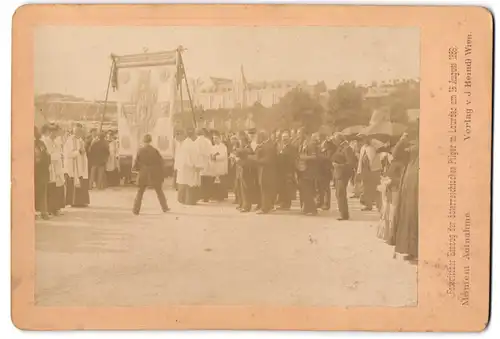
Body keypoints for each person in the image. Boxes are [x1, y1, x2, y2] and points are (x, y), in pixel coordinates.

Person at [132, 134, 169, 215]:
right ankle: (165, 208)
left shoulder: (140, 151)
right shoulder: (155, 151)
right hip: (154, 173)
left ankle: (136, 210)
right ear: (150, 140)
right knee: (159, 191)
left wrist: (138, 169)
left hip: (143, 173)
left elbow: (136, 164)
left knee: (140, 192)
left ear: (144, 141)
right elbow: (161, 162)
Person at [63, 123, 90, 207]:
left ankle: (81, 201)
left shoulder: (81, 140)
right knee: (74, 182)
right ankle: (73, 202)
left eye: (80, 131)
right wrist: (78, 152)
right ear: (73, 131)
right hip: (73, 166)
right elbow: (68, 154)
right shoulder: (69, 141)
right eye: (77, 131)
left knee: (82, 182)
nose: (78, 133)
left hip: (81, 165)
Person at [41, 124, 66, 216]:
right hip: (51, 167)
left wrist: (60, 155)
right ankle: (50, 209)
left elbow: (58, 152)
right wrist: (58, 155)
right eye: (55, 132)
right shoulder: (46, 141)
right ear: (51, 132)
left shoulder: (55, 141)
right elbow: (49, 155)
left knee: (57, 189)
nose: (56, 134)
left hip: (57, 167)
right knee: (50, 189)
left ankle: (56, 208)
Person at [331, 135, 356, 221]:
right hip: (339, 173)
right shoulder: (341, 147)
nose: (334, 141)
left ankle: (344, 215)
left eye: (335, 139)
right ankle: (342, 213)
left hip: (343, 173)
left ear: (340, 139)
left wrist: (339, 166)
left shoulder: (347, 148)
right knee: (339, 194)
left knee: (341, 193)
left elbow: (351, 163)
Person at [252, 130, 278, 214]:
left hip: (267, 171)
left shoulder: (269, 146)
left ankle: (265, 208)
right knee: (265, 189)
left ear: (262, 137)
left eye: (258, 137)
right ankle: (267, 206)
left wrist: (256, 160)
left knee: (265, 189)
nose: (257, 139)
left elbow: (268, 160)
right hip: (264, 170)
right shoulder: (265, 145)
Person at [177, 128, 202, 205]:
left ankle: (183, 199)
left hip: (184, 167)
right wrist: (195, 165)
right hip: (190, 167)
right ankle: (190, 200)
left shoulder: (184, 144)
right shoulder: (191, 145)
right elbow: (194, 157)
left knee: (184, 183)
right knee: (190, 184)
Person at [357, 136, 382, 211]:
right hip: (366, 171)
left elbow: (372, 160)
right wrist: (359, 171)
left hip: (373, 171)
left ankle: (378, 205)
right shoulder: (363, 148)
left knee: (374, 188)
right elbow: (361, 161)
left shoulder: (372, 148)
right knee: (366, 189)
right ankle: (368, 205)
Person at [234, 131, 257, 212]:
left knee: (246, 189)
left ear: (245, 141)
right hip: (242, 171)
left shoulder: (248, 148)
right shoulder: (244, 148)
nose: (240, 143)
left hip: (247, 171)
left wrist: (237, 152)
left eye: (241, 141)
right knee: (242, 189)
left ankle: (247, 206)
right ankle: (243, 204)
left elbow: (246, 155)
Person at [297, 133, 320, 216]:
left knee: (307, 190)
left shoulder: (311, 145)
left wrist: (304, 158)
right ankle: (307, 208)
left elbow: (314, 157)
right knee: (304, 190)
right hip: (303, 170)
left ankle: (312, 209)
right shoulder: (303, 144)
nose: (298, 136)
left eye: (300, 134)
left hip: (309, 171)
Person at [276, 130, 297, 210]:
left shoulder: (292, 148)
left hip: (288, 170)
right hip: (281, 171)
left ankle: (287, 204)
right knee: (282, 188)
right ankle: (283, 203)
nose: (284, 139)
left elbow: (293, 159)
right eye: (283, 138)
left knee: (288, 188)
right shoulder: (281, 147)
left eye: (286, 138)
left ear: (289, 138)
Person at [316, 129, 336, 210]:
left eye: (319, 137)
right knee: (319, 186)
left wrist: (319, 156)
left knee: (325, 187)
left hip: (326, 169)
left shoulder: (329, 145)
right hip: (320, 169)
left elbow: (328, 157)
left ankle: (326, 204)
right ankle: (320, 201)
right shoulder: (320, 145)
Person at [35, 126, 50, 220]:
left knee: (40, 191)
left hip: (39, 171)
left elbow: (46, 157)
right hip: (41, 171)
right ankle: (43, 212)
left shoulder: (39, 144)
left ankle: (43, 212)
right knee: (41, 192)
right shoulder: (41, 143)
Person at [196, 128, 215, 203]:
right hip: (207, 162)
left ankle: (200, 195)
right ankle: (207, 196)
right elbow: (211, 152)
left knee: (200, 180)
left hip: (199, 162)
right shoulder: (208, 141)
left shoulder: (196, 141)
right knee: (207, 180)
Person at [210, 131, 229, 201]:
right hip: (214, 166)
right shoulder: (212, 147)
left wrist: (215, 157)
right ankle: (215, 195)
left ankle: (221, 196)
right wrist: (211, 157)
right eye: (213, 138)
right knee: (215, 181)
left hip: (221, 165)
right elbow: (210, 154)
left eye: (216, 138)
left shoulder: (223, 146)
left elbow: (223, 156)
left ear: (219, 138)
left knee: (221, 181)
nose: (215, 140)